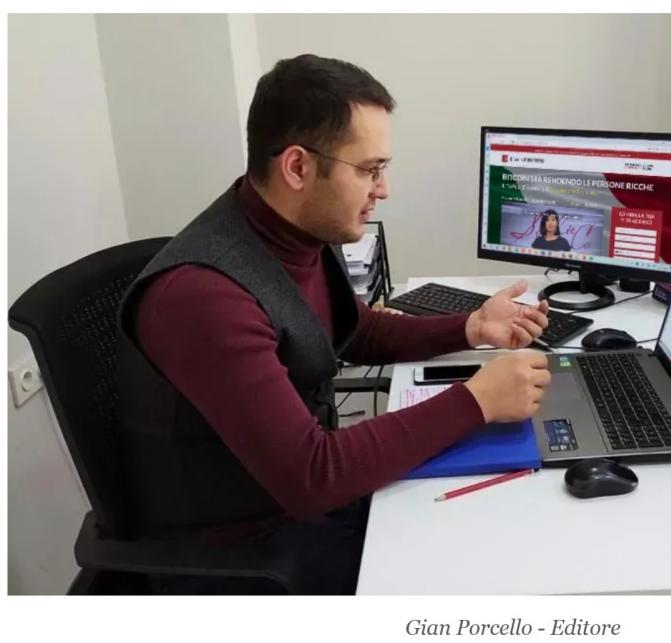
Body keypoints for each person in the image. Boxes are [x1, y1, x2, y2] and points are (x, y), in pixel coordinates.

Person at [113, 54, 552, 594]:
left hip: (300, 506)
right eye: (369, 170)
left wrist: (471, 328)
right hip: (251, 552)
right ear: (298, 168)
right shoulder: (204, 297)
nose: (383, 190)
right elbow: (313, 477)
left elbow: (350, 329)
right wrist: (476, 401)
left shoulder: (294, 231)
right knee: (484, 570)